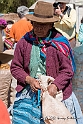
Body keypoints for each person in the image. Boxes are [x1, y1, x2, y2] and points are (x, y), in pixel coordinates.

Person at [10, 1, 83, 124]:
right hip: (30, 92)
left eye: (43, 25)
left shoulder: (60, 43)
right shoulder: (24, 42)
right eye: (36, 24)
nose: (39, 28)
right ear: (32, 23)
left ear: (51, 24)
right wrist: (29, 80)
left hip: (56, 92)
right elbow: (15, 67)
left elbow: (67, 70)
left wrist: (55, 85)